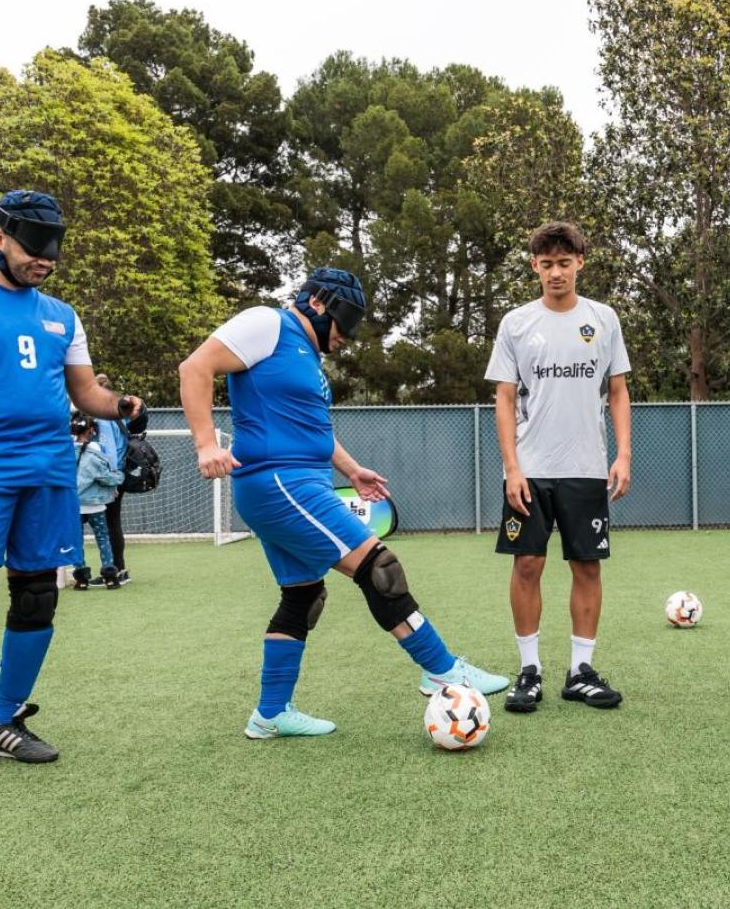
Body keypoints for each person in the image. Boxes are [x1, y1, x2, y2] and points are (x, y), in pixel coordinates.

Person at [178, 267, 507, 740]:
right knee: (380, 568)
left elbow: (312, 430)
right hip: (280, 482)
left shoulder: (305, 358)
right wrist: (206, 444)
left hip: (300, 481)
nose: (346, 337)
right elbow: (195, 367)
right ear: (319, 303)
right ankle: (441, 669)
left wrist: (351, 470)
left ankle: (270, 714)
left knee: (304, 595)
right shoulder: (267, 324)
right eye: (345, 322)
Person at [0, 190, 143, 782]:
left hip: (50, 470)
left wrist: (119, 404)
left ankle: (5, 725)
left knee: (36, 595)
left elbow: (86, 395)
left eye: (52, 249)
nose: (43, 259)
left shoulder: (62, 315)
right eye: (32, 247)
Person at [485, 221, 633, 713]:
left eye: (564, 263)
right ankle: (529, 671)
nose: (555, 272)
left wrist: (623, 454)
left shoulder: (604, 319)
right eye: (546, 264)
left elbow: (617, 390)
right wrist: (511, 468)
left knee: (586, 565)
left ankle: (580, 672)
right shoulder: (516, 323)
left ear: (580, 264)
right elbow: (504, 399)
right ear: (534, 266)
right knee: (528, 564)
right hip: (530, 468)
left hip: (587, 468)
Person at [92, 372, 147, 587]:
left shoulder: (103, 419)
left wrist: (112, 481)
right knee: (112, 522)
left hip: (110, 477)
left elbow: (110, 452)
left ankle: (114, 569)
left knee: (107, 523)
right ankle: (118, 567)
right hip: (118, 474)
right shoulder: (119, 417)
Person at [70, 411, 124, 590]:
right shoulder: (98, 450)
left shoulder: (64, 451)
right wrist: (119, 479)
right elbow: (105, 476)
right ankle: (109, 576)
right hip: (95, 504)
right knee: (103, 538)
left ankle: (81, 579)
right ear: (92, 430)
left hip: (73, 505)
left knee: (76, 541)